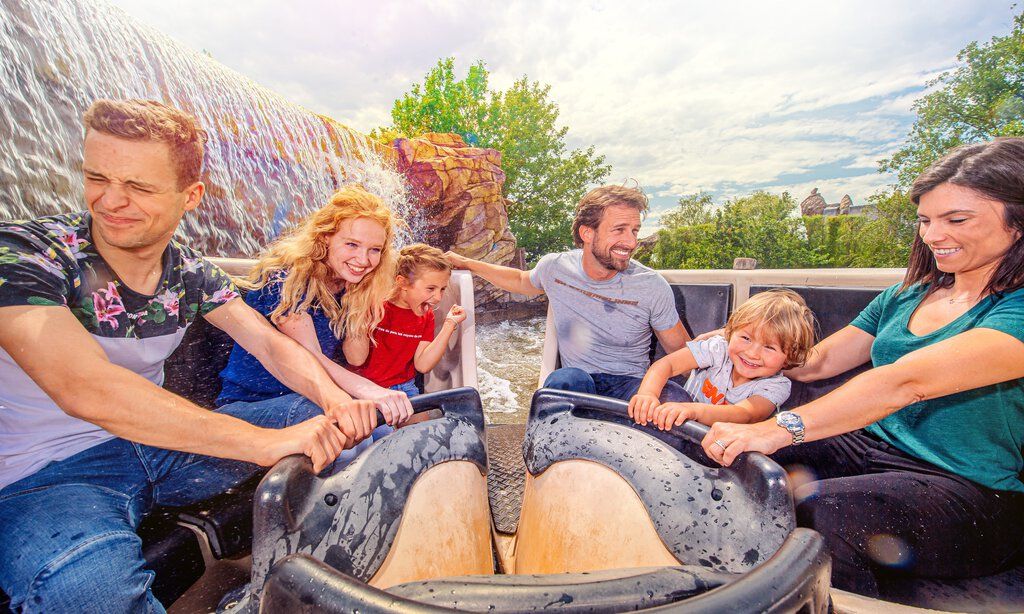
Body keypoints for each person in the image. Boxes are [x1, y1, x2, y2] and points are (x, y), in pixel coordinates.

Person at [0, 99, 377, 613]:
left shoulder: (189, 273)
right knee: (94, 593)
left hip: (156, 446)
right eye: (97, 177)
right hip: (47, 475)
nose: (110, 201)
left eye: (139, 187)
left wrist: (334, 401)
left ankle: (318, 575)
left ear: (189, 196)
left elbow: (268, 343)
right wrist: (264, 443)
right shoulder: (23, 255)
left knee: (348, 423)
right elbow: (84, 388)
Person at [701, 138, 1024, 597]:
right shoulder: (903, 296)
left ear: (1018, 222)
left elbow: (907, 382)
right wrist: (745, 347)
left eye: (956, 219)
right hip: (874, 448)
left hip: (970, 489)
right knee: (739, 466)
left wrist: (777, 427)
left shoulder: (1016, 308)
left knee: (829, 511)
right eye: (926, 220)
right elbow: (818, 363)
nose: (933, 235)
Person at [447, 184, 691, 403]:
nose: (630, 242)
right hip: (579, 383)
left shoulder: (650, 285)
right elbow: (520, 280)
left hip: (631, 388)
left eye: (634, 231)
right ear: (587, 233)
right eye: (619, 230)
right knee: (563, 381)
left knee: (675, 399)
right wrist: (468, 263)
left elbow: (681, 352)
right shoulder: (556, 268)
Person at [217, 185, 415, 435]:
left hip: (308, 399)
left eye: (374, 250)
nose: (364, 260)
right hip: (250, 407)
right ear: (325, 237)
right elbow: (310, 358)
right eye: (352, 244)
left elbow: (356, 359)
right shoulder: (285, 279)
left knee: (380, 430)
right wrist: (373, 392)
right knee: (341, 423)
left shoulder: (351, 286)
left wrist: (363, 305)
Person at [629, 288, 815, 430]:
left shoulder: (777, 386)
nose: (752, 353)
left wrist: (694, 412)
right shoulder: (719, 348)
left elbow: (746, 414)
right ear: (730, 333)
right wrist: (647, 394)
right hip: (681, 428)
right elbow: (667, 365)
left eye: (769, 347)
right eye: (746, 338)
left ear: (789, 357)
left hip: (722, 447)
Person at [344, 244, 467, 399]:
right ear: (402, 283)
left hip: (405, 387)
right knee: (385, 424)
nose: (438, 298)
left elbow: (423, 365)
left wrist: (450, 324)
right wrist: (361, 313)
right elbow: (355, 360)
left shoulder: (426, 316)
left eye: (442, 289)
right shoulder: (376, 306)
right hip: (364, 386)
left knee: (427, 424)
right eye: (430, 289)